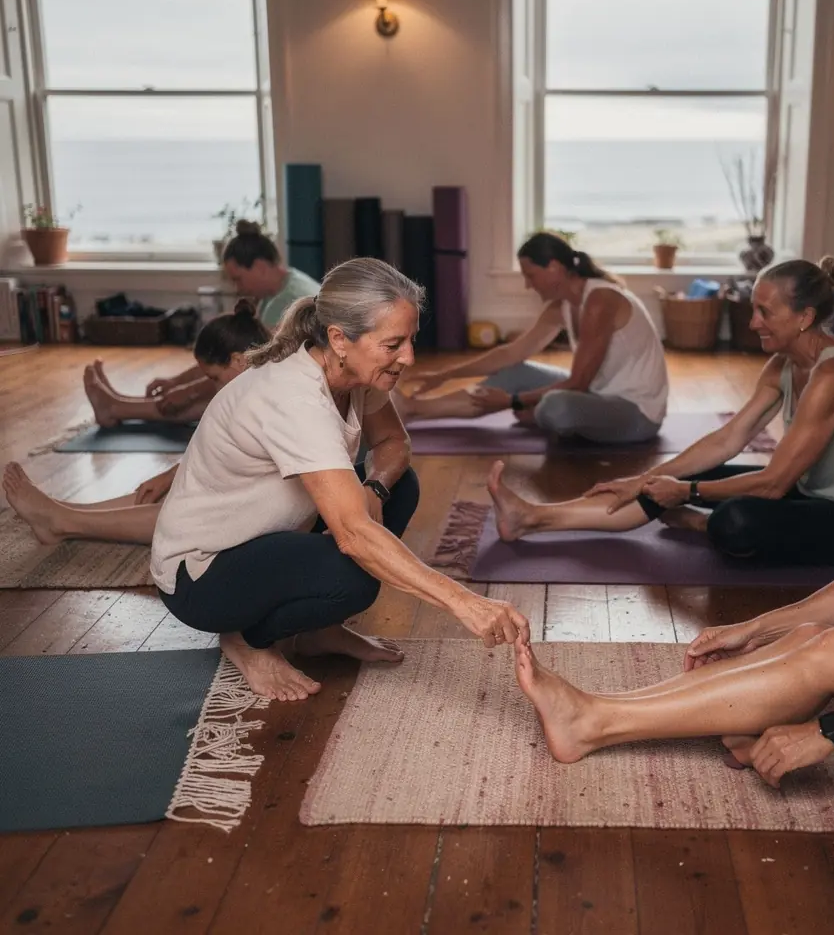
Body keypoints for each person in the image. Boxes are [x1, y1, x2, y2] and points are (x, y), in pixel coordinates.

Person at [512, 327, 834, 802]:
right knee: (811, 637)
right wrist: (757, 628)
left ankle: (592, 723)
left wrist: (828, 731)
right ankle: (611, 707)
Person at [149, 258, 530, 702]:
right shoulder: (294, 398)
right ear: (338, 338)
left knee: (398, 486)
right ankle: (245, 640)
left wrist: (375, 488)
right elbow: (352, 535)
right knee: (352, 577)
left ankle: (316, 632)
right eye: (393, 344)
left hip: (268, 536)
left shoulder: (353, 372)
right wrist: (466, 603)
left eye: (410, 340)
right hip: (202, 573)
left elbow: (393, 443)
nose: (408, 357)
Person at [487, 257, 834, 567]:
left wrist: (686, 495)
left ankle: (696, 524)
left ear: (805, 317)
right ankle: (532, 517)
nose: (753, 323)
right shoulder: (783, 363)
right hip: (812, 494)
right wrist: (646, 480)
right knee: (671, 480)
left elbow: (775, 483)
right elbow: (729, 438)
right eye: (754, 309)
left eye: (766, 312)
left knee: (735, 520)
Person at [4, 303, 271, 545]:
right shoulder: (254, 387)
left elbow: (225, 459)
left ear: (239, 360)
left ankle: (63, 521)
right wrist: (172, 475)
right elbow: (218, 454)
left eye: (213, 378)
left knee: (186, 508)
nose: (212, 386)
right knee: (177, 491)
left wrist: (174, 475)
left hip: (252, 506)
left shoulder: (264, 399)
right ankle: (64, 511)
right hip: (248, 487)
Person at [394, 232, 668, 445]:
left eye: (530, 275)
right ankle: (413, 409)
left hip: (636, 415)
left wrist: (513, 401)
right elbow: (509, 354)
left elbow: (578, 382)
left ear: (554, 267)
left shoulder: (600, 300)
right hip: (598, 395)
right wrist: (444, 375)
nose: (528, 284)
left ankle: (539, 413)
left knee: (556, 407)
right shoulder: (561, 306)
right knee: (515, 371)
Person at [83, 221, 320, 425]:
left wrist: (187, 391)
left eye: (238, 279)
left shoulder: (289, 301)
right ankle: (123, 404)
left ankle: (116, 408)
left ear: (259, 266)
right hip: (288, 382)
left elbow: (246, 366)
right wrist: (176, 384)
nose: (237, 288)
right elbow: (231, 353)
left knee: (220, 395)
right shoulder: (281, 288)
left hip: (302, 394)